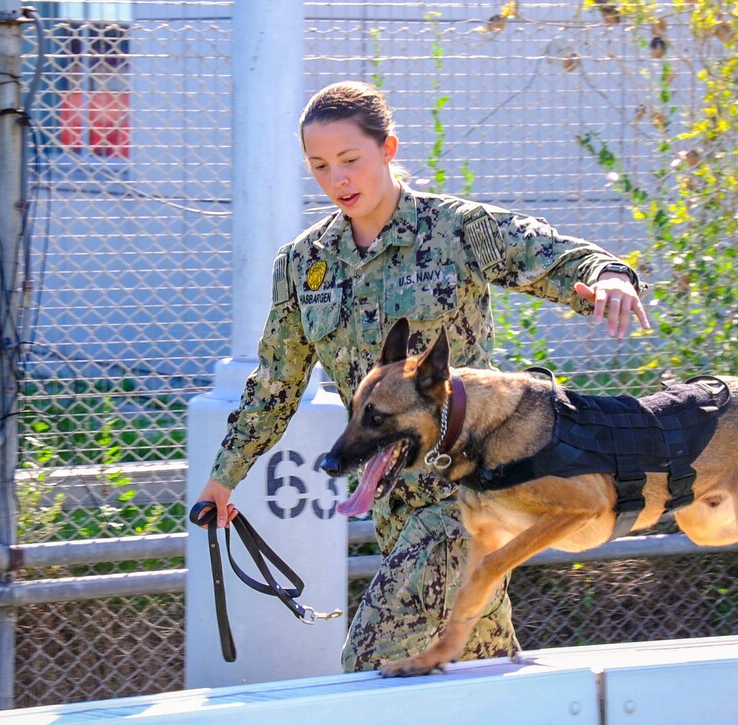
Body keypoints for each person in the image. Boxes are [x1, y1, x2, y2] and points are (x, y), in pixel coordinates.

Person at [195, 80, 650, 672]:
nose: (338, 179)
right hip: (391, 505)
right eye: (320, 166)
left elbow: (550, 255)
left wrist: (608, 277)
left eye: (351, 160)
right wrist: (223, 478)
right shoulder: (304, 265)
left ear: (388, 149)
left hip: (468, 492)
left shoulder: (454, 231)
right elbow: (275, 384)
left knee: (370, 661)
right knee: (477, 672)